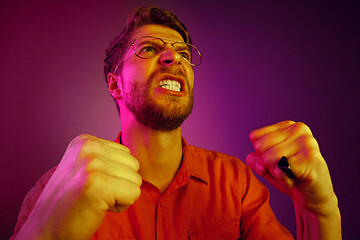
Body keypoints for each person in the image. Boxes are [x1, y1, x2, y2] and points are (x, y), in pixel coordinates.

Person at [11, 6, 341, 240]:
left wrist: (319, 210)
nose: (173, 58)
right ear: (115, 85)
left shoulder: (236, 183)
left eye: (183, 52)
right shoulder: (55, 191)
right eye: (150, 48)